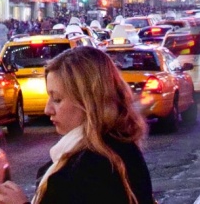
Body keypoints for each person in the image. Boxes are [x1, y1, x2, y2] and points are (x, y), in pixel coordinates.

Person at [33, 46, 159, 204]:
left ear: (89, 102)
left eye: (57, 99)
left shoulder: (92, 168)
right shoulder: (118, 150)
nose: (47, 109)